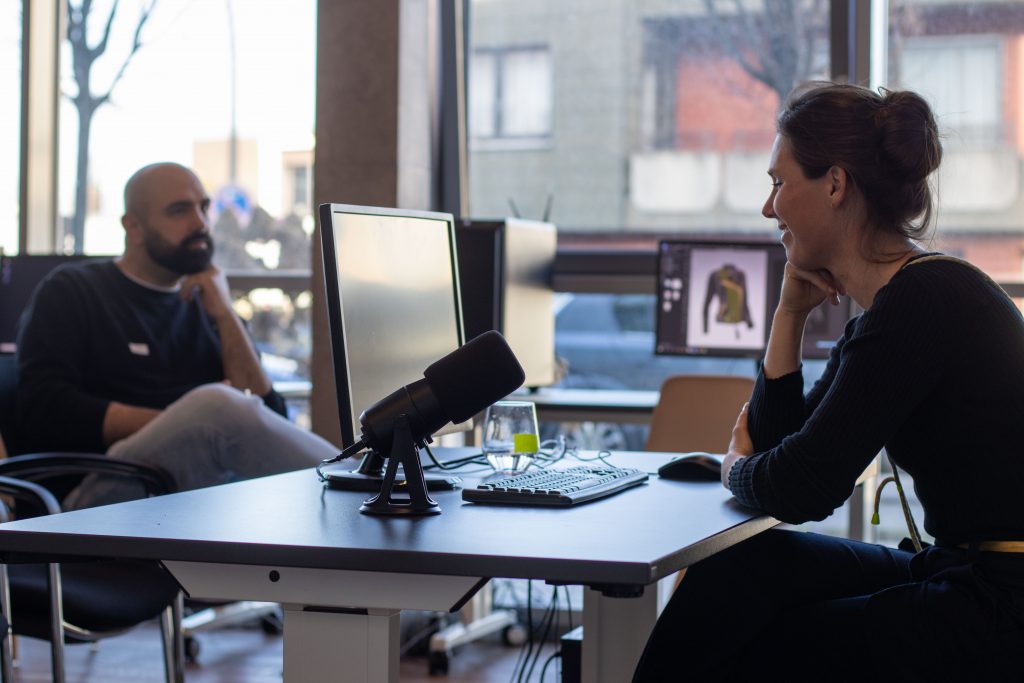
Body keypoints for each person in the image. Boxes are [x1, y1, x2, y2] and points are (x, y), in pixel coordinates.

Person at [633, 83, 1024, 681]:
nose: (769, 208)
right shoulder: (896, 307)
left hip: (1001, 601)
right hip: (963, 570)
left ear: (836, 185)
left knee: (761, 644)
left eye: (778, 183)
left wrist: (732, 469)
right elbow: (781, 447)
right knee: (742, 564)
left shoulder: (923, 301)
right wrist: (789, 316)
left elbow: (800, 488)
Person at [15, 162, 339, 508]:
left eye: (203, 207)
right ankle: (358, 489)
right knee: (216, 406)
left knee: (220, 410)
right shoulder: (73, 290)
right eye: (180, 210)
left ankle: (356, 489)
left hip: (203, 499)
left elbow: (268, 416)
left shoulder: (208, 306)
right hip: (94, 495)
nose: (200, 223)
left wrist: (225, 314)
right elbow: (46, 409)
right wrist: (189, 422)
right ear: (134, 227)